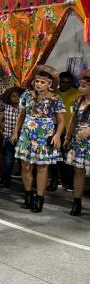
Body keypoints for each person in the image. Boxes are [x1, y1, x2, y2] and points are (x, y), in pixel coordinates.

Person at [12, 65, 65, 213]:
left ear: (49, 84)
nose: (39, 84)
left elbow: (62, 121)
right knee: (26, 166)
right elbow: (21, 115)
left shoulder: (55, 98)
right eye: (37, 81)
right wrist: (16, 132)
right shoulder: (26, 95)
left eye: (42, 82)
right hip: (27, 133)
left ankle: (39, 199)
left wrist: (57, 135)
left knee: (42, 167)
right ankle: (28, 196)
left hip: (44, 135)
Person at [64, 70, 89, 216]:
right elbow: (73, 120)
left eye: (83, 86)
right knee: (78, 171)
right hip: (79, 140)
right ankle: (77, 202)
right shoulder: (78, 101)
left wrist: (88, 130)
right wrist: (68, 137)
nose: (80, 88)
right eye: (80, 85)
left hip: (87, 138)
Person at [0, 87, 24, 189]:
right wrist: (4, 93)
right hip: (9, 138)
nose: (16, 98)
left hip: (22, 139)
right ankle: (5, 181)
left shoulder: (23, 107)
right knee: (8, 161)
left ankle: (26, 183)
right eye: (13, 96)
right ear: (9, 98)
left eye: (18, 96)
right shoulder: (6, 106)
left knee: (23, 162)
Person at [52, 71, 80, 192]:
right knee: (56, 158)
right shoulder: (54, 94)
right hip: (56, 130)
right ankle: (56, 181)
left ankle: (69, 183)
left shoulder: (77, 93)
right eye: (63, 82)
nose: (65, 84)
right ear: (59, 82)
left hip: (70, 131)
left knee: (69, 158)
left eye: (68, 83)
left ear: (72, 83)